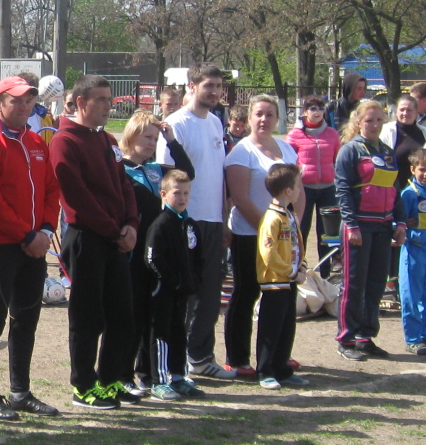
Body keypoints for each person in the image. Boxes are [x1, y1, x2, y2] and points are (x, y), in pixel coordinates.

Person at [0, 77, 62, 419]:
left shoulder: (36, 141)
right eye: (16, 101)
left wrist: (46, 229)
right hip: (0, 246)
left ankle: (20, 392)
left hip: (34, 245)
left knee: (26, 319)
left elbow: (52, 189)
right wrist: (28, 236)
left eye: (28, 101)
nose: (23, 107)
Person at [51, 74, 140, 410]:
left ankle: (111, 380)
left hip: (116, 238)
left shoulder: (109, 141)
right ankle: (84, 386)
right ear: (82, 102)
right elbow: (77, 197)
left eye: (109, 99)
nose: (108, 105)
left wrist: (131, 223)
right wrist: (114, 230)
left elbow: (125, 186)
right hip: (88, 237)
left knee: (121, 315)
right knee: (87, 318)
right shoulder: (65, 141)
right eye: (101, 99)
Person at [161, 64, 233, 381]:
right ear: (193, 86)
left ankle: (201, 356)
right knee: (183, 294)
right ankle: (175, 360)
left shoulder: (217, 123)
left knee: (210, 293)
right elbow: (165, 174)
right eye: (209, 86)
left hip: (214, 221)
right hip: (187, 221)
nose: (215, 92)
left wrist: (225, 219)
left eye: (218, 86)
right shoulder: (177, 124)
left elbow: (218, 176)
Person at [224, 95, 300, 376]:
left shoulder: (287, 150)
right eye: (259, 114)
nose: (264, 120)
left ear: (277, 119)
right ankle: (238, 357)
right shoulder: (241, 153)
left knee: (283, 297)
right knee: (246, 294)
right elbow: (241, 198)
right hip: (249, 235)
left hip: (283, 239)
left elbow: (298, 192)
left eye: (270, 115)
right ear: (249, 118)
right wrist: (270, 230)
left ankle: (278, 358)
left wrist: (292, 228)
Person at [334, 100, 404, 359]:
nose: (374, 125)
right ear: (358, 122)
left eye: (378, 120)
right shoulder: (350, 151)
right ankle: (346, 338)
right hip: (359, 226)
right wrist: (351, 224)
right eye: (369, 120)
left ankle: (366, 336)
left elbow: (394, 189)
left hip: (383, 226)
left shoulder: (387, 151)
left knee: (376, 284)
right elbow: (342, 190)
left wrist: (401, 222)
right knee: (354, 284)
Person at [144, 170, 203, 399]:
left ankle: (178, 376)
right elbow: (151, 258)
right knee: (161, 334)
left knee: (180, 333)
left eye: (186, 193)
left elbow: (197, 256)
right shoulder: (161, 225)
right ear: (164, 194)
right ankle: (159, 380)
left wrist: (193, 280)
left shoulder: (189, 224)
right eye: (176, 193)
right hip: (163, 291)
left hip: (183, 292)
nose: (182, 198)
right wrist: (172, 281)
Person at [120, 111, 167, 399]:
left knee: (151, 314)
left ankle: (148, 372)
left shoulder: (155, 169)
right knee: (130, 315)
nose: (152, 143)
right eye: (147, 137)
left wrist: (171, 141)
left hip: (153, 251)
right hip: (131, 252)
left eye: (155, 138)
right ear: (132, 135)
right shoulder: (120, 169)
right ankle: (122, 373)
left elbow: (188, 172)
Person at [254, 162, 308, 389]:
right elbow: (268, 253)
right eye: (297, 186)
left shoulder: (290, 216)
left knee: (287, 327)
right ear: (288, 190)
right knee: (271, 327)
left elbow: (298, 245)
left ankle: (282, 368)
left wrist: (302, 266)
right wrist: (290, 271)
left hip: (290, 281)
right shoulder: (271, 218)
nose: (299, 190)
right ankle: (265, 370)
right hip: (275, 282)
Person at [397, 149, 426, 354]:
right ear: (412, 170)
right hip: (413, 251)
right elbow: (398, 223)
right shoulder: (408, 194)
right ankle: (413, 339)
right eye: (422, 170)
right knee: (411, 297)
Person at [287, 96, 340, 264]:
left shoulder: (331, 134)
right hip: (304, 188)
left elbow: (337, 159)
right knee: (301, 228)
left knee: (327, 233)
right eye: (313, 108)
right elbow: (288, 160)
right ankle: (299, 267)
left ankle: (325, 271)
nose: (317, 112)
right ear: (305, 112)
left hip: (328, 188)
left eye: (320, 108)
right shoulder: (295, 135)